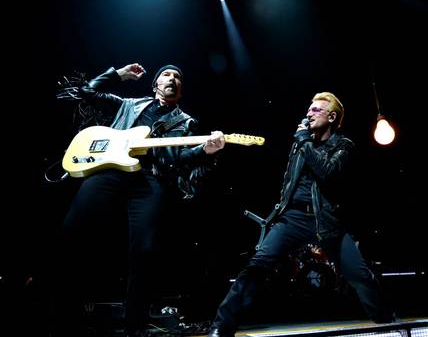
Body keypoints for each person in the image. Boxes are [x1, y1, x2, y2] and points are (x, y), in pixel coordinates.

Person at [53, 63, 225, 337]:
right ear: (155, 84)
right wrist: (117, 75)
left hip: (149, 180)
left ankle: (136, 324)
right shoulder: (130, 105)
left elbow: (177, 159)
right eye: (167, 75)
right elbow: (86, 91)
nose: (172, 79)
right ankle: (57, 311)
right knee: (73, 230)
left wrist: (205, 150)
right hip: (110, 170)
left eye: (178, 77)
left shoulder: (186, 122)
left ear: (180, 91)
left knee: (144, 250)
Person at [207, 92, 396, 337]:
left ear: (332, 116)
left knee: (357, 273)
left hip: (326, 220)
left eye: (316, 110)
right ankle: (222, 326)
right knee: (256, 267)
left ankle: (388, 321)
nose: (309, 113)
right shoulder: (300, 143)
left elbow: (327, 171)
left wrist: (304, 141)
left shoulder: (342, 144)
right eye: (309, 109)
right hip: (292, 218)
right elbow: (289, 180)